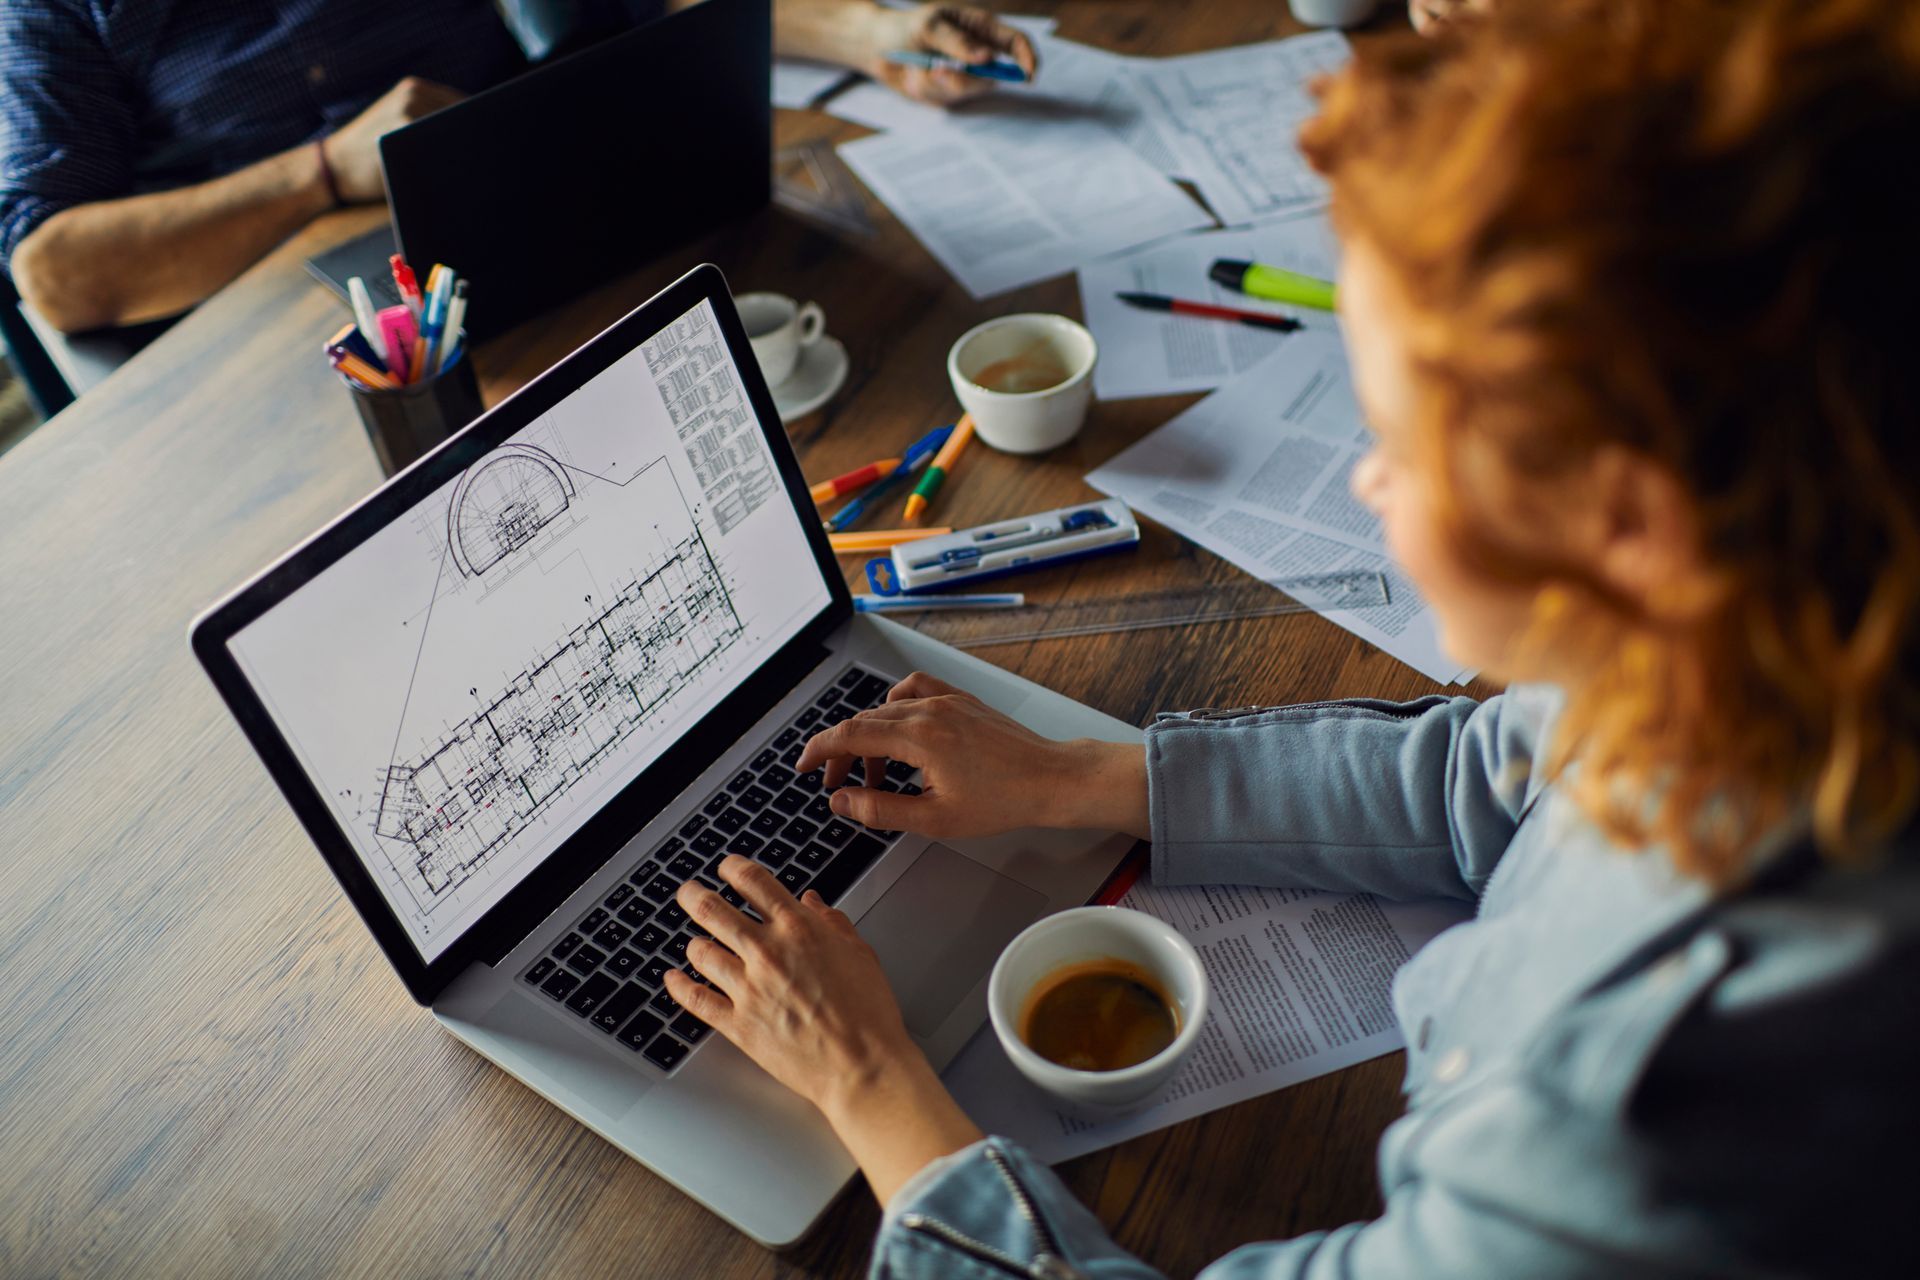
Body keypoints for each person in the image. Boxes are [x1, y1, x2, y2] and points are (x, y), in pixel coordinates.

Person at [652, 0, 1920, 1274]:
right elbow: (1494, 775)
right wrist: (1078, 775)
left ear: (1628, 521)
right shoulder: (1780, 620)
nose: (1369, 479)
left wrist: (875, 1081)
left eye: (1404, 440)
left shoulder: (1646, 1111)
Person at [0, 0, 1035, 336]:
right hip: (324, 337)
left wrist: (870, 27)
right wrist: (324, 171)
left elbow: (632, 6)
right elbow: (52, 273)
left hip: (541, 217)